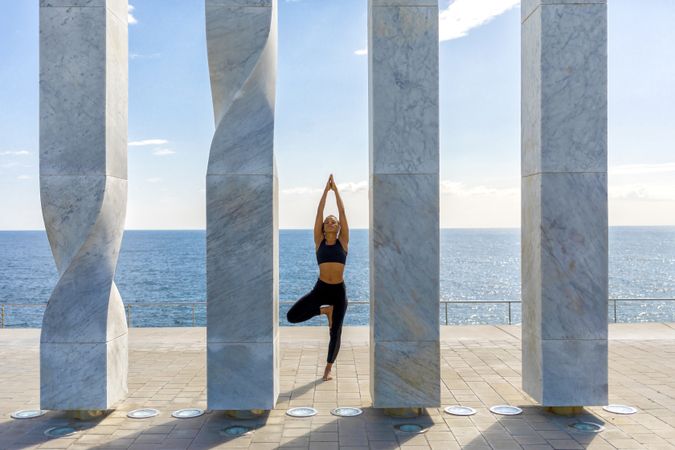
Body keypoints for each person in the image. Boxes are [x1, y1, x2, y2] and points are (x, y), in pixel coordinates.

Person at [286, 173, 349, 381]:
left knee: (336, 332)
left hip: (338, 291)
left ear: (339, 227)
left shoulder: (343, 242)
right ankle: (324, 311)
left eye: (334, 222)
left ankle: (328, 369)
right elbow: (319, 211)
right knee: (292, 316)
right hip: (321, 288)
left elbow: (342, 211)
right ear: (323, 227)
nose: (331, 222)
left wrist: (336, 191)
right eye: (328, 222)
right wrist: (325, 190)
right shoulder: (318, 241)